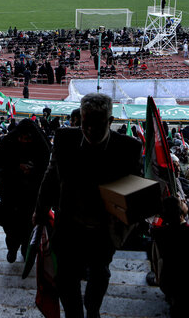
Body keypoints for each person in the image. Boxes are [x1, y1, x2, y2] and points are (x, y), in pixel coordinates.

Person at [34, 93, 142, 318]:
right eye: (86, 123)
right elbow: (51, 175)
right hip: (69, 226)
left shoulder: (129, 148)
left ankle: (92, 309)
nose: (90, 129)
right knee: (65, 277)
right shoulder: (65, 138)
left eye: (98, 124)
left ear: (110, 122)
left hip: (103, 231)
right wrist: (41, 209)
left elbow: (134, 193)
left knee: (99, 274)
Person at [0, 119, 50, 262]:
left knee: (29, 225)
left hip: (31, 195)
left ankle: (25, 248)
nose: (22, 141)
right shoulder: (9, 141)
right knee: (10, 225)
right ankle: (12, 248)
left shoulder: (42, 146)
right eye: (20, 138)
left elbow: (47, 169)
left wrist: (33, 170)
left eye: (26, 139)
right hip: (11, 191)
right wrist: (16, 167)